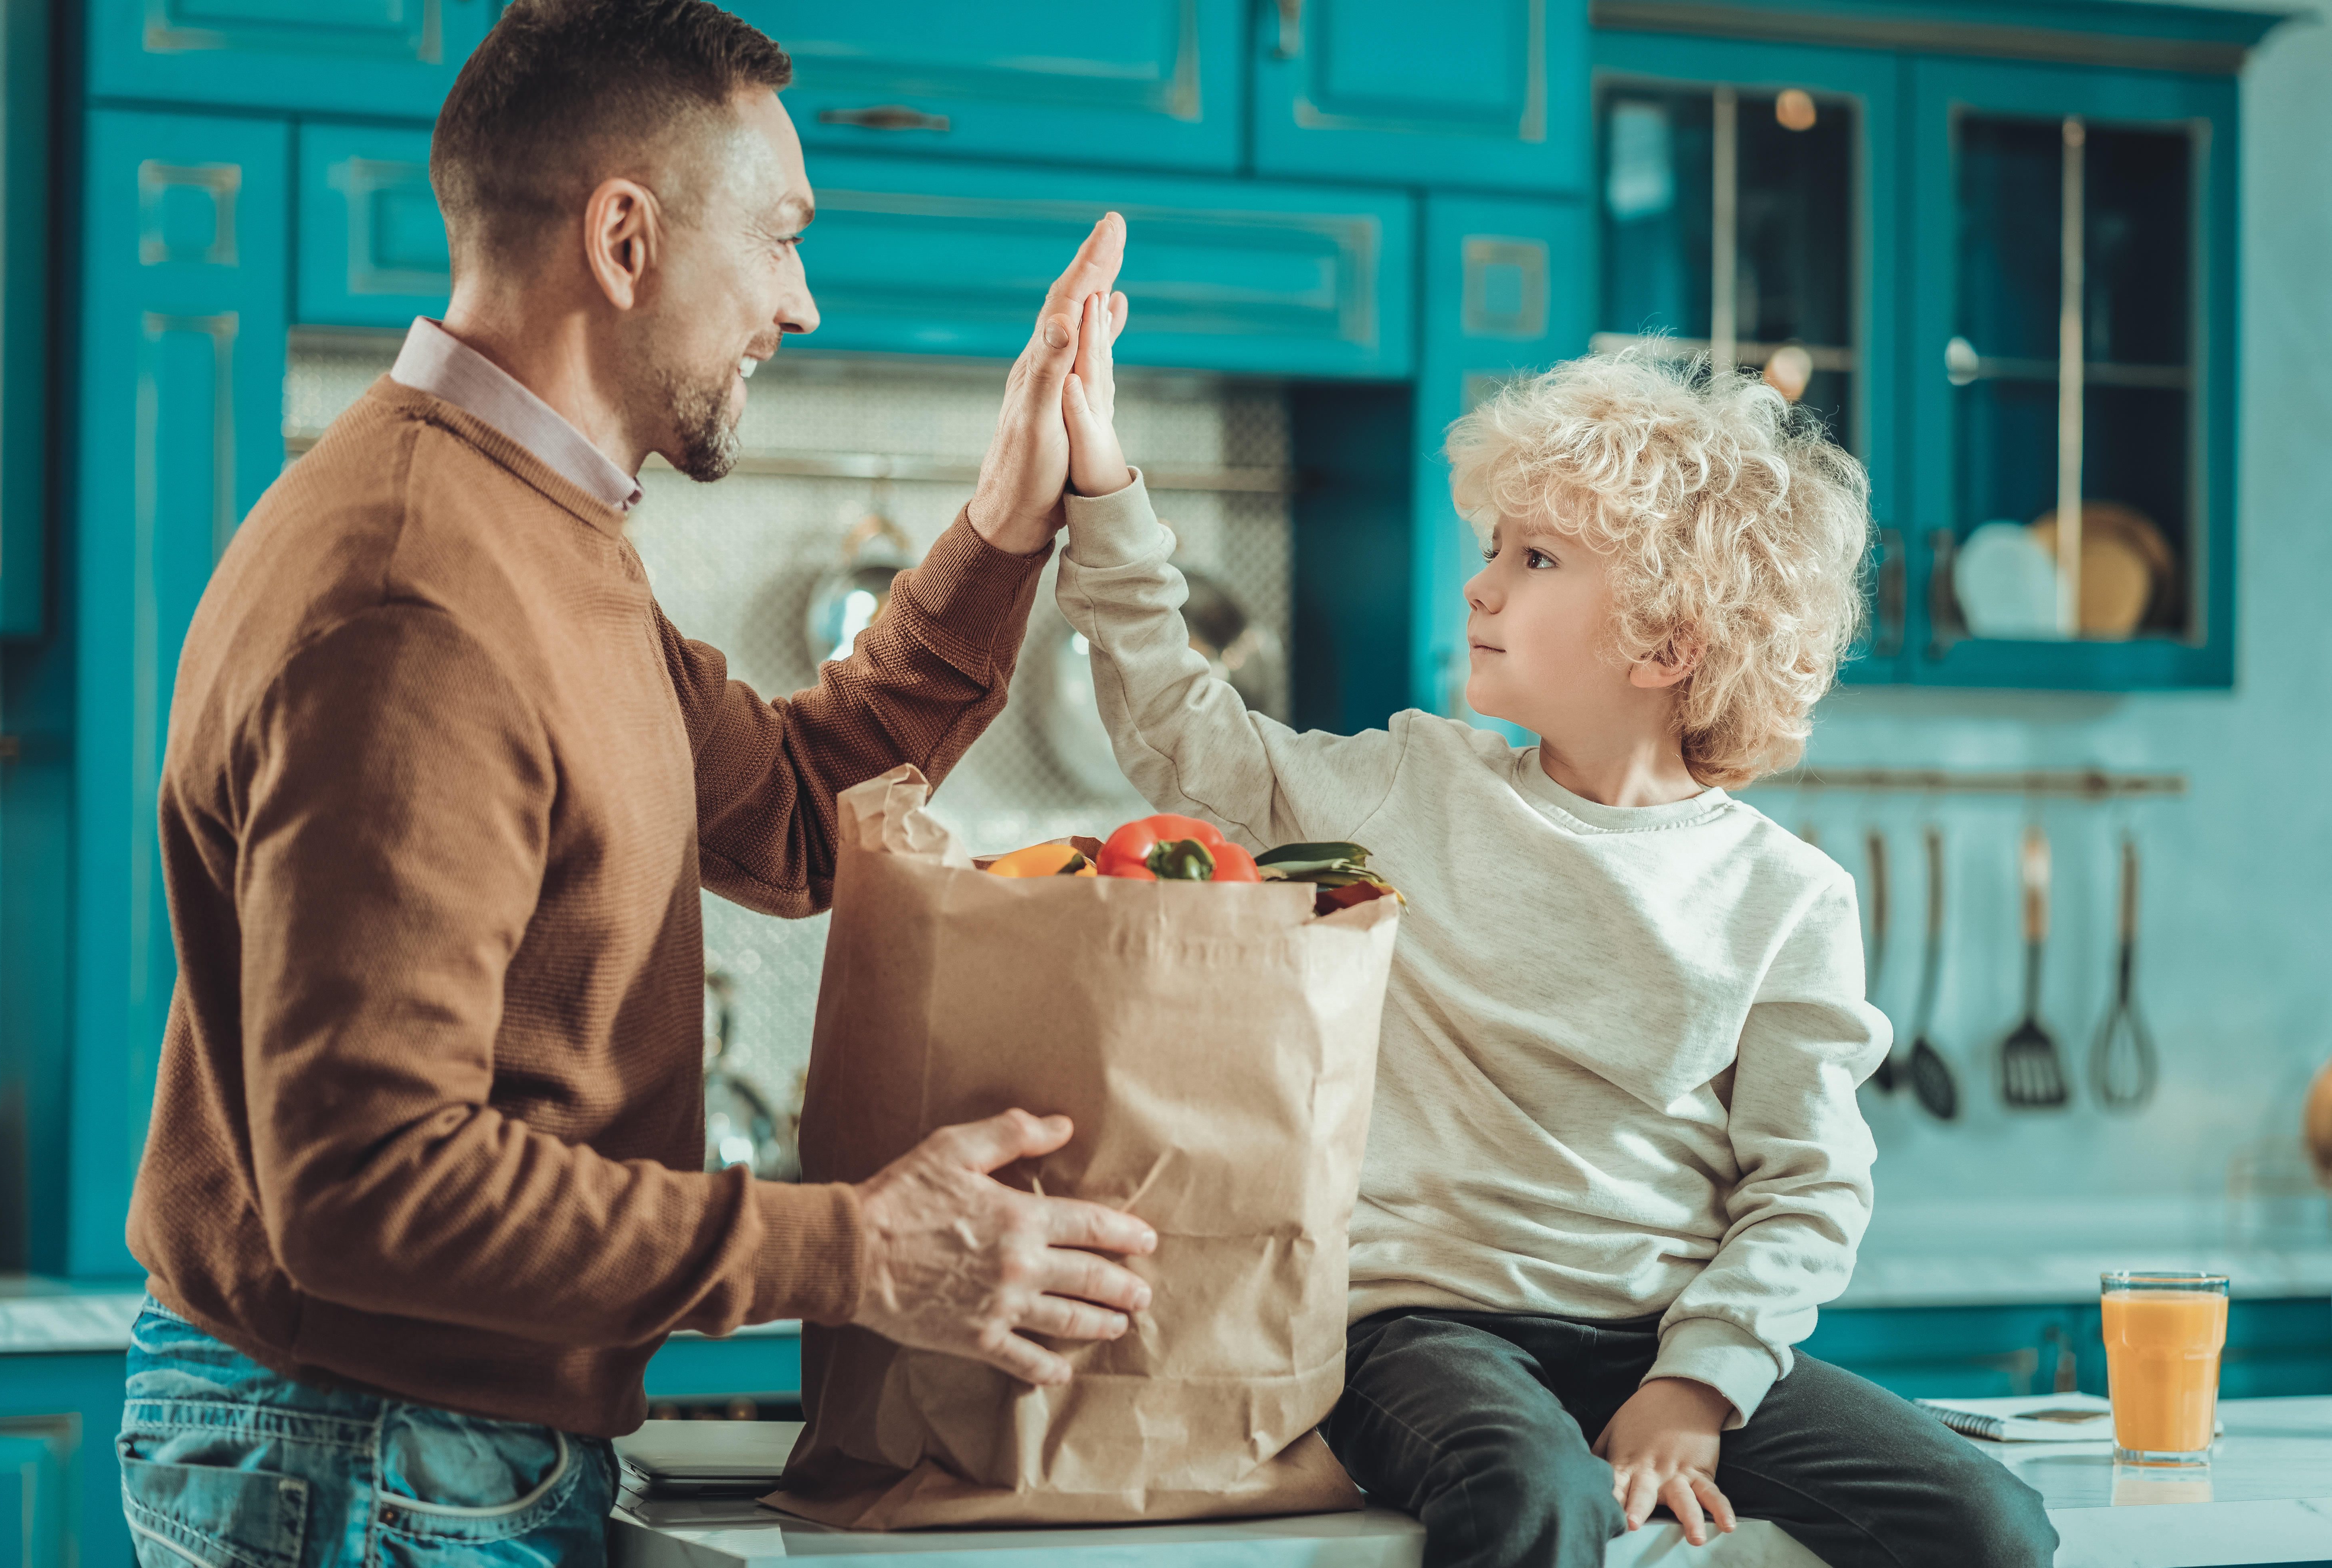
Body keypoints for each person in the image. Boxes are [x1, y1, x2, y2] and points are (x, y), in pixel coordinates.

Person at [119, 2, 1154, 1562]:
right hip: (364, 1456)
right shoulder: (420, 596)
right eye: (783, 239)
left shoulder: (537, 529)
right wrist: (856, 1251)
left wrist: (1008, 521)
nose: (801, 305)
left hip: (415, 1445)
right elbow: (368, 1182)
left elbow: (800, 812)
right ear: (625, 240)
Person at [1052, 297, 2059, 1567]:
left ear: (1665, 642)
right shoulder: (1408, 786)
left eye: (1536, 560)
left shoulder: (1787, 898)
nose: (1479, 581)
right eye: (1495, 546)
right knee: (1531, 1496)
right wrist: (1100, 485)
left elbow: (1805, 1189)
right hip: (1419, 1330)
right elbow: (1178, 727)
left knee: (1990, 1527)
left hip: (1664, 1336)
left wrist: (1693, 1391)